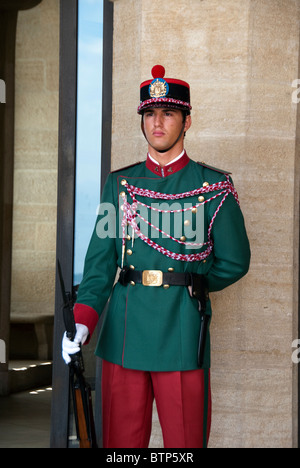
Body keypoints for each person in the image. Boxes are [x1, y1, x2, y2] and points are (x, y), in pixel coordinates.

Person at [62, 65, 251, 448]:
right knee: (121, 445)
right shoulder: (120, 184)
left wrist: (190, 284)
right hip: (124, 328)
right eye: (149, 114)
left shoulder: (212, 186)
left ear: (187, 121)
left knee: (184, 444)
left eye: (168, 113)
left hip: (181, 326)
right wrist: (84, 321)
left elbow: (235, 261)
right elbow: (101, 263)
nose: (157, 123)